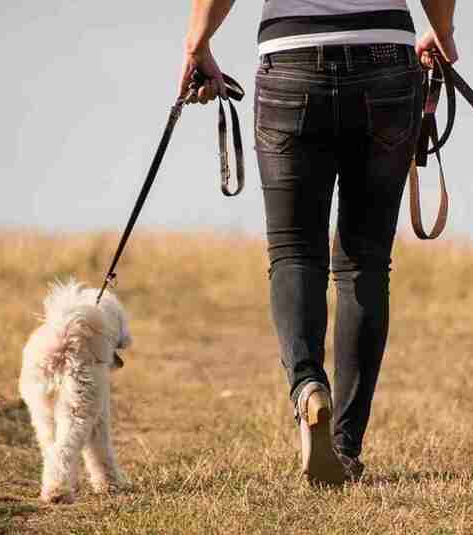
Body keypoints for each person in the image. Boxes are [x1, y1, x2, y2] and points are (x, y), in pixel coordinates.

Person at [179, 0, 458, 485]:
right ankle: (346, 448)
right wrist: (443, 31)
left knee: (293, 252)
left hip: (292, 59)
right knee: (365, 264)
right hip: (386, 60)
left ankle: (308, 385)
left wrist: (197, 43)